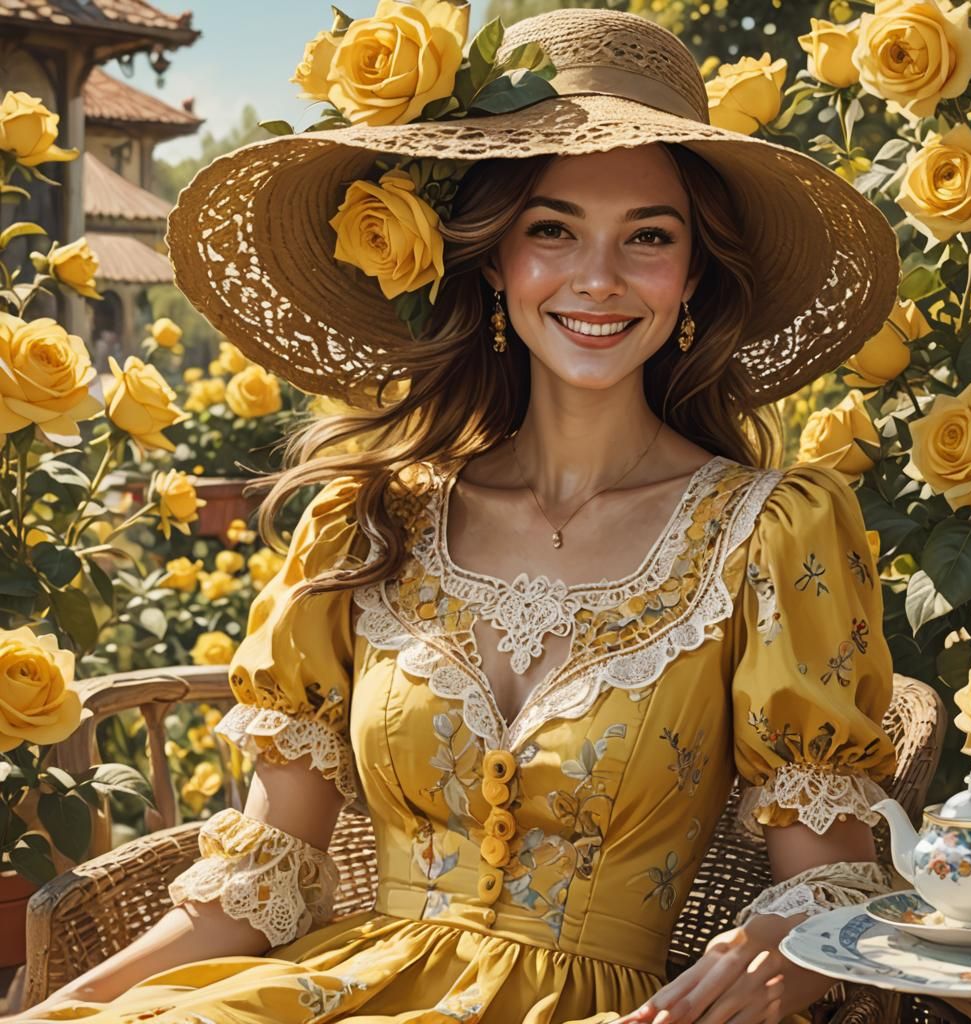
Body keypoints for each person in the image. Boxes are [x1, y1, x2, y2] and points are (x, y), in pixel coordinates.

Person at [13, 5, 905, 1023]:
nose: (598, 278)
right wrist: (63, 1006)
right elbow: (257, 882)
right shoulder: (369, 519)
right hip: (335, 989)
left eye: (648, 237)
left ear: (693, 272)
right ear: (491, 257)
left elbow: (829, 881)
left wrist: (789, 946)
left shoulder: (769, 531)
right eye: (551, 230)